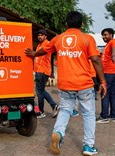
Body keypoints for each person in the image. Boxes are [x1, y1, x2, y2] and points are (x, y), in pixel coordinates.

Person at [25, 11, 107, 155]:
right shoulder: (87, 39)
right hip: (84, 84)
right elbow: (95, 60)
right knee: (88, 114)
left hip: (65, 84)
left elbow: (44, 50)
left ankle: (58, 133)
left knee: (65, 110)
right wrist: (103, 81)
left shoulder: (58, 39)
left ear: (66, 24)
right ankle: (88, 146)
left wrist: (33, 54)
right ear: (81, 24)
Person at [34, 29, 59, 118]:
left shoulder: (47, 44)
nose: (39, 36)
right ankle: (54, 105)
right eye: (38, 35)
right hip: (39, 71)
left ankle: (41, 111)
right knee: (41, 90)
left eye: (41, 35)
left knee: (39, 92)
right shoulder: (39, 45)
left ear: (45, 36)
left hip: (42, 71)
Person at [96, 28, 115, 123]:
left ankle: (104, 116)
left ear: (111, 35)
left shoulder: (113, 42)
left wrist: (113, 55)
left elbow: (114, 49)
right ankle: (113, 116)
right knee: (112, 93)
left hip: (109, 72)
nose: (104, 37)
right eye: (103, 35)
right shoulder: (108, 44)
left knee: (104, 93)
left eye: (106, 35)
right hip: (114, 71)